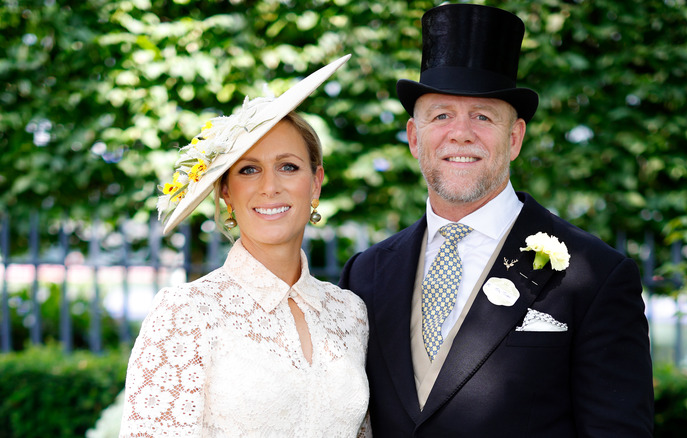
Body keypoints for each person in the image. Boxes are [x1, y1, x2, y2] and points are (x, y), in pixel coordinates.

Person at [339, 4, 653, 437]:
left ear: (515, 137)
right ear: (415, 137)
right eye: (442, 115)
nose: (461, 133)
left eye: (483, 116)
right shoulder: (365, 274)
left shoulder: (596, 274)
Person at [119, 55, 372, 437]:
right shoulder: (186, 313)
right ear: (226, 193)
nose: (270, 186)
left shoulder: (351, 314)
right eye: (248, 169)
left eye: (288, 166)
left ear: (316, 183)